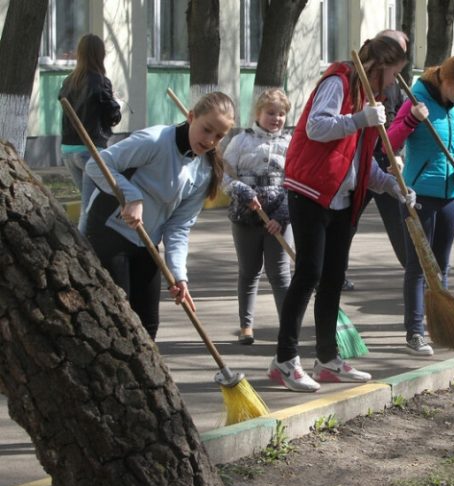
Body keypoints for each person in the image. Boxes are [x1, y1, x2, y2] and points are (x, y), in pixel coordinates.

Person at [267, 35, 417, 392]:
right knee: (308, 273)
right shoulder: (340, 81)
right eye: (394, 72)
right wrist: (358, 119)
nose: (395, 81)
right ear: (379, 66)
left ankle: (327, 360)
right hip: (310, 190)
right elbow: (317, 127)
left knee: (333, 276)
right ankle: (284, 360)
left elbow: (358, 163)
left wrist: (393, 185)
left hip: (341, 196)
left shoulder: (370, 97)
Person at [84, 91, 236, 340]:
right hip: (109, 233)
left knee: (148, 326)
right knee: (118, 320)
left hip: (146, 242)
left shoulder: (204, 171)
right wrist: (132, 196)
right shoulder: (154, 140)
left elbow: (179, 227)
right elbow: (97, 165)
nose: (210, 140)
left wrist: (179, 274)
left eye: (219, 136)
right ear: (191, 116)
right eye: (207, 129)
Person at [387, 54, 454, 356]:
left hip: (449, 196)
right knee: (418, 266)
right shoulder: (416, 100)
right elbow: (388, 142)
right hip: (419, 195)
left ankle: (438, 324)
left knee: (441, 264)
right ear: (448, 81)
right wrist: (413, 118)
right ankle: (415, 332)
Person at [343, 29, 412, 291]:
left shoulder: (392, 84)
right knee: (347, 220)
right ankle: (337, 272)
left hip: (384, 160)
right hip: (358, 162)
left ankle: (416, 271)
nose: (399, 67)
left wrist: (396, 152)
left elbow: (394, 118)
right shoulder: (355, 78)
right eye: (398, 54)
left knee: (400, 219)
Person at [223, 89, 293, 345]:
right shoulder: (241, 141)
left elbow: (295, 183)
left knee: (280, 274)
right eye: (271, 113)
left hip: (278, 219)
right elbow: (224, 175)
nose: (276, 118)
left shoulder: (290, 143)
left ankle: (288, 326)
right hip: (245, 217)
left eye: (281, 113)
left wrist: (283, 216)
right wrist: (241, 190)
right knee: (249, 271)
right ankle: (246, 326)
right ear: (258, 113)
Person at [59, 33, 122, 233]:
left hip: (68, 149)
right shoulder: (101, 81)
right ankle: (84, 249)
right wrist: (116, 102)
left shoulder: (69, 81)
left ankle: (92, 243)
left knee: (92, 201)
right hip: (90, 150)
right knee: (90, 205)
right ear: (99, 55)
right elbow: (113, 117)